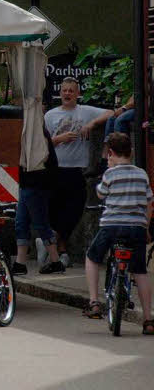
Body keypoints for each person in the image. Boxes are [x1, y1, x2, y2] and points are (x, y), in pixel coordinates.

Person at [81, 133, 153, 332]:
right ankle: (148, 320)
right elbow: (149, 203)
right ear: (130, 152)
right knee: (140, 271)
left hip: (111, 226)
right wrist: (145, 227)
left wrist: (108, 172)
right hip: (137, 227)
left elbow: (100, 194)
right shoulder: (141, 174)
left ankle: (94, 302)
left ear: (111, 153)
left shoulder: (110, 174)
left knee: (92, 257)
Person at [45, 77, 113, 266]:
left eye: (71, 91)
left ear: (77, 94)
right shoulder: (50, 115)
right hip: (56, 168)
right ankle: (60, 248)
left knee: (75, 210)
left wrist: (92, 124)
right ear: (60, 93)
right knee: (54, 210)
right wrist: (59, 139)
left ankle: (57, 242)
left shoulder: (85, 111)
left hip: (77, 169)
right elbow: (42, 143)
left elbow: (111, 112)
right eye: (64, 90)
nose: (67, 94)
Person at [13, 128, 64, 275]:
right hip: (29, 182)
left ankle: (55, 261)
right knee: (21, 222)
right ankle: (20, 263)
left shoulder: (36, 131)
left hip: (36, 182)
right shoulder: (34, 129)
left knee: (39, 222)